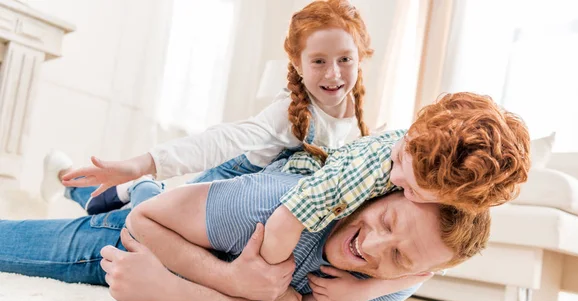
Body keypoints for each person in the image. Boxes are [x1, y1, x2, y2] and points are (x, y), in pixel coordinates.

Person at [0, 169, 491, 301]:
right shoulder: (273, 207)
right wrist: (179, 285)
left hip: (190, 218)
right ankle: (118, 187)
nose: (374, 247)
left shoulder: (397, 282)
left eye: (403, 259)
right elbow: (142, 227)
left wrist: (172, 294)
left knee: (146, 198)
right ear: (383, 193)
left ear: (422, 274)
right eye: (385, 221)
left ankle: (73, 177)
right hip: (150, 238)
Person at [42, 0, 375, 212]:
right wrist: (141, 164)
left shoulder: (358, 121)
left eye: (345, 59)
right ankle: (72, 178)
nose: (333, 73)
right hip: (219, 196)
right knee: (128, 223)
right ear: (297, 64)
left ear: (361, 58)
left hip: (260, 215)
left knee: (125, 215)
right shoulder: (287, 113)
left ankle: (90, 186)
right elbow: (221, 141)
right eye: (319, 61)